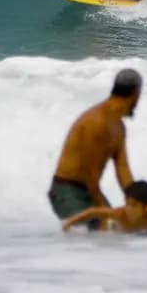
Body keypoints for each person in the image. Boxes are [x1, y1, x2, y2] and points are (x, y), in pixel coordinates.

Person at [48, 69, 142, 231]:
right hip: (66, 191)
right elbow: (90, 174)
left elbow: (122, 167)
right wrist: (104, 212)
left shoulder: (119, 127)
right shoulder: (97, 122)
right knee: (96, 231)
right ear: (136, 94)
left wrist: (135, 201)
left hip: (89, 190)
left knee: (123, 229)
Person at [61, 179, 147, 235]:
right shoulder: (120, 213)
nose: (128, 208)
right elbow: (93, 211)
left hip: (135, 233)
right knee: (102, 228)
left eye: (134, 205)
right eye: (127, 203)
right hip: (109, 226)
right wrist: (69, 223)